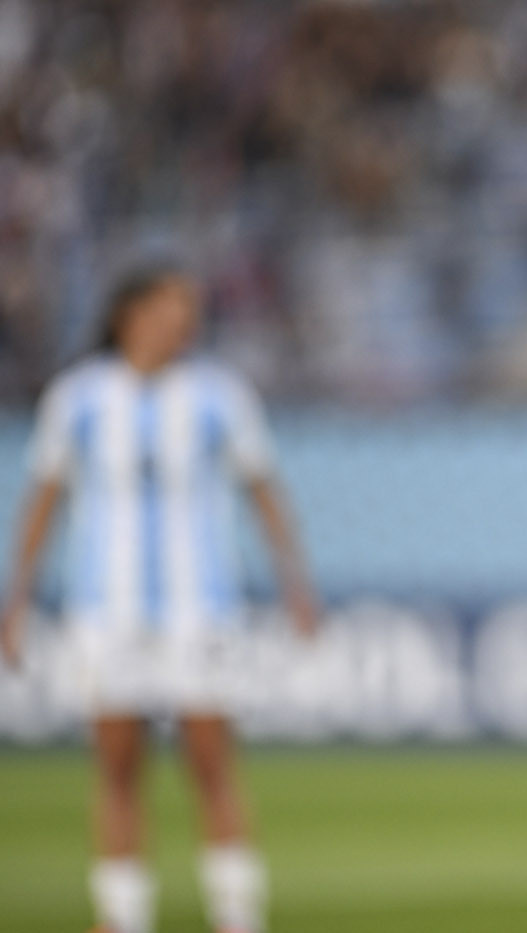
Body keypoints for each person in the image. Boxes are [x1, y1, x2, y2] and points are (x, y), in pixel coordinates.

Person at [0, 267, 318, 933]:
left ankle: (236, 913)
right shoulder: (79, 397)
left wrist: (295, 582)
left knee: (212, 763)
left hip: (200, 608)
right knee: (118, 768)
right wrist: (17, 598)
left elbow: (262, 488)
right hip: (105, 609)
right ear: (132, 314)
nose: (185, 321)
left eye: (189, 309)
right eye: (173, 307)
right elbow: (44, 500)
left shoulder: (220, 395)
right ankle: (121, 915)